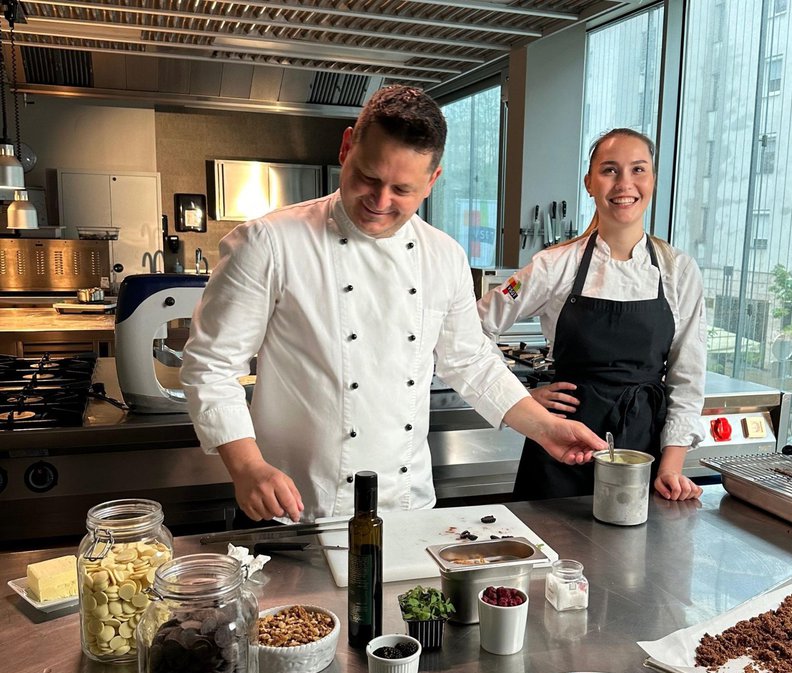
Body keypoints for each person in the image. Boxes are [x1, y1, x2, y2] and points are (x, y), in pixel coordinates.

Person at [180, 85, 605, 523]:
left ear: (432, 181)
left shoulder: (443, 255)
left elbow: (471, 362)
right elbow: (210, 366)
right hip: (296, 508)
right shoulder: (269, 242)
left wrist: (545, 428)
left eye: (402, 189)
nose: (380, 202)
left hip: (405, 509)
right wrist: (247, 466)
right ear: (347, 148)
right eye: (368, 177)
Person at [478, 128, 705, 502]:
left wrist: (670, 467)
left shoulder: (678, 270)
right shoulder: (554, 265)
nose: (624, 184)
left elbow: (687, 376)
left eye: (638, 170)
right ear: (589, 182)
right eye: (610, 170)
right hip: (559, 449)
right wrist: (520, 396)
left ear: (653, 179)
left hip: (641, 454)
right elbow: (473, 328)